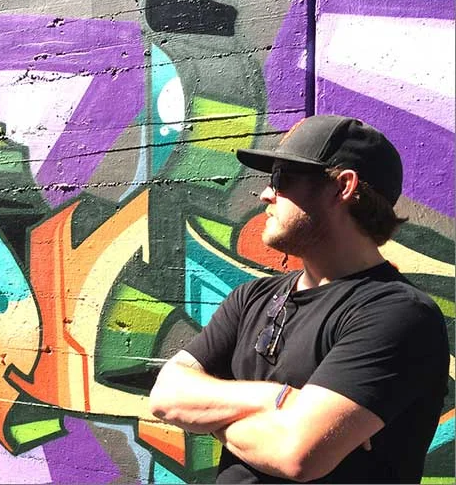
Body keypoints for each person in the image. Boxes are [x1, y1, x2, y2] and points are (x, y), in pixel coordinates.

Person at [149, 115, 449, 483]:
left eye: (281, 178)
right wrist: (276, 400)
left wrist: (209, 415)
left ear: (342, 186)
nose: (265, 194)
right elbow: (166, 394)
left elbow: (296, 456)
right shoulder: (251, 298)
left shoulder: (398, 314)